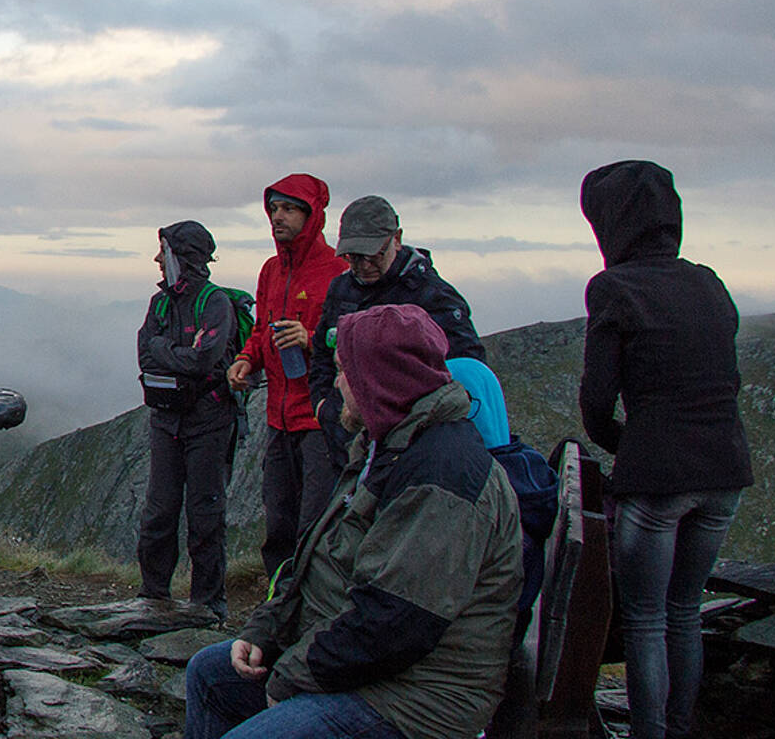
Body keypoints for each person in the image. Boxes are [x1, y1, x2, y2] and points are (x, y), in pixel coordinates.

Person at [186, 304, 524, 739]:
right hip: (368, 667)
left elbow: (396, 623)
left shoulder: (441, 476)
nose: (337, 383)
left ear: (378, 380)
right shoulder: (386, 446)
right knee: (210, 675)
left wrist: (292, 673)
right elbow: (317, 556)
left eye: (345, 371)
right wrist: (266, 630)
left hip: (416, 698)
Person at [579, 160, 753, 739]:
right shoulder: (708, 280)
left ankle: (649, 734)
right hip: (725, 469)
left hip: (657, 479)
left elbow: (597, 404)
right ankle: (683, 728)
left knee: (646, 620)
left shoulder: (613, 288)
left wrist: (632, 448)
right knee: (684, 613)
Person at [225, 174, 347, 583]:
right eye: (274, 209)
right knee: (278, 518)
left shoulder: (338, 272)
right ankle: (278, 602)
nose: (278, 217)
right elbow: (261, 331)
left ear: (313, 217)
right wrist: (245, 360)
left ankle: (314, 603)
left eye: (290, 209)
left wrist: (312, 340)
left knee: (316, 518)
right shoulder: (271, 271)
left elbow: (356, 341)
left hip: (318, 419)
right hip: (278, 418)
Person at [309, 195, 488, 467]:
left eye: (373, 254)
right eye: (353, 256)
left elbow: (465, 371)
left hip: (408, 455)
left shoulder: (434, 297)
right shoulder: (341, 289)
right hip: (345, 444)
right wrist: (324, 407)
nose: (363, 265)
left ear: (396, 238)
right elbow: (322, 351)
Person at [137, 222, 239, 617]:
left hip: (209, 421)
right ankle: (153, 598)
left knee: (205, 512)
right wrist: (174, 352)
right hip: (166, 420)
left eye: (164, 252)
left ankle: (208, 605)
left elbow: (204, 358)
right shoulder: (159, 303)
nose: (158, 259)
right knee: (159, 511)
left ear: (182, 257)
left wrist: (164, 348)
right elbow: (144, 355)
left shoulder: (214, 303)